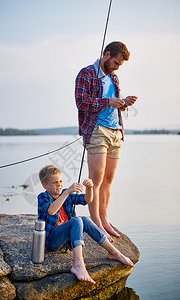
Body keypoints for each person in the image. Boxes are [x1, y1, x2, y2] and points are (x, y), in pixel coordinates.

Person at [75, 41, 138, 242]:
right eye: (116, 62)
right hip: (97, 131)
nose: (118, 67)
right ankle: (95, 223)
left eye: (120, 65)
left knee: (108, 181)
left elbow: (113, 105)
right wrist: (107, 102)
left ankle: (104, 219)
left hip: (116, 132)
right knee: (95, 180)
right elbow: (81, 102)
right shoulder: (86, 73)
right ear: (107, 54)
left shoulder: (114, 78)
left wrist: (123, 103)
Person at [37, 165, 134, 284]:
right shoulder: (43, 197)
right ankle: (78, 264)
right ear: (45, 185)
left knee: (85, 220)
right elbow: (51, 211)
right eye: (55, 183)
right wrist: (66, 192)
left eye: (61, 181)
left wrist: (90, 188)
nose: (59, 185)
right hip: (53, 241)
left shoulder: (65, 194)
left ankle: (114, 253)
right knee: (76, 220)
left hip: (66, 243)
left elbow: (87, 200)